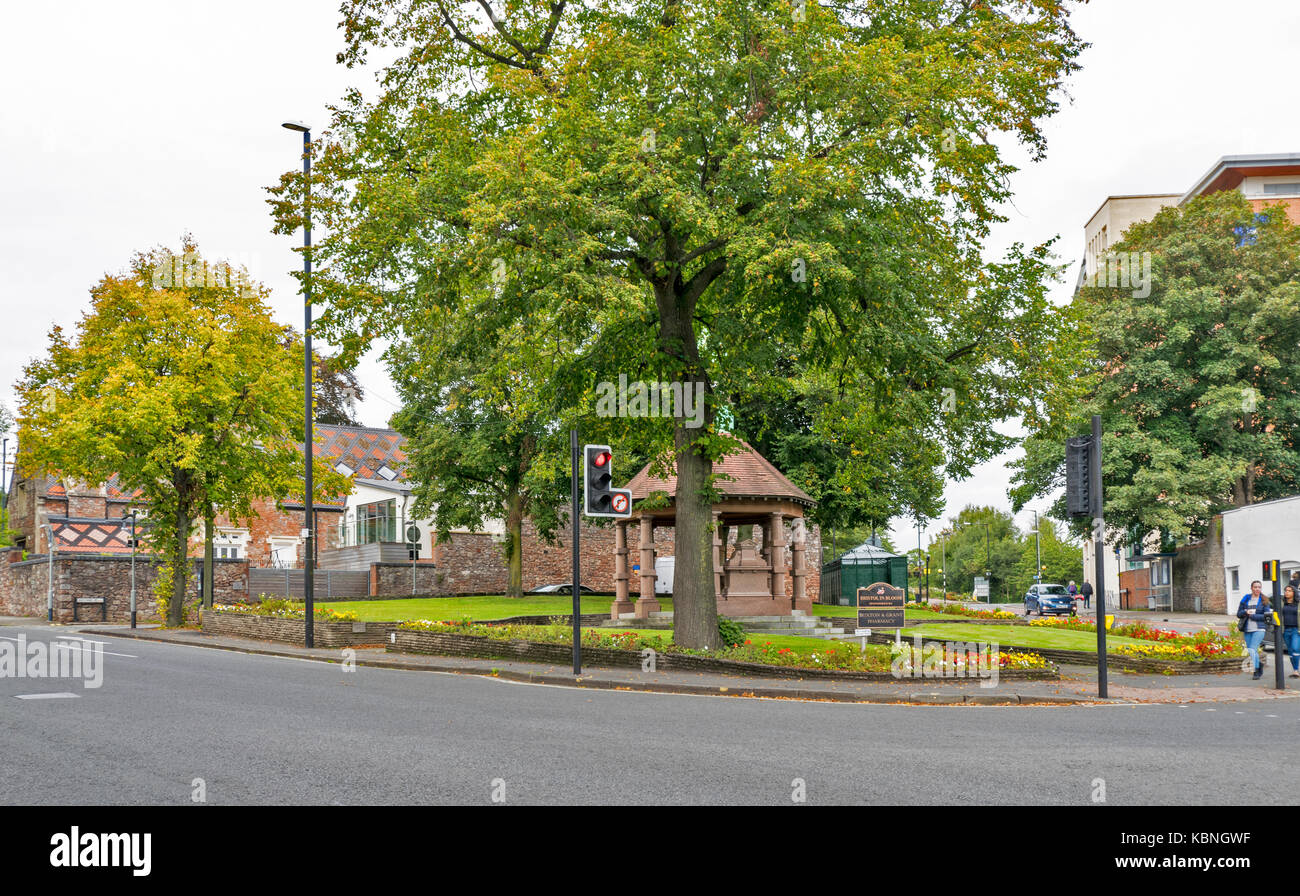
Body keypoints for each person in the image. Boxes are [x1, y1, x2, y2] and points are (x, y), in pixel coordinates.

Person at [1238, 581, 1273, 680]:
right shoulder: (1246, 598)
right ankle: (1260, 665)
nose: (1257, 589)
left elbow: (1267, 616)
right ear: (1251, 588)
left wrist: (1253, 616)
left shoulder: (1264, 600)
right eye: (1255, 587)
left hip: (1259, 628)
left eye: (1259, 587)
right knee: (1251, 651)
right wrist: (1245, 612)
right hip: (1247, 629)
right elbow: (1238, 613)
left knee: (1253, 648)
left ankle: (1257, 670)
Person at [1283, 585, 1300, 679]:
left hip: (1296, 630)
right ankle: (1295, 670)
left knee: (1295, 648)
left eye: (1289, 591)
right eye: (1286, 590)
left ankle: (1296, 670)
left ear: (1294, 592)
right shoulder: (1282, 604)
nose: (1287, 592)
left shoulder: (1298, 603)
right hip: (1285, 630)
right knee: (1290, 651)